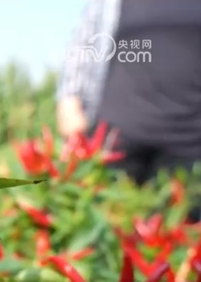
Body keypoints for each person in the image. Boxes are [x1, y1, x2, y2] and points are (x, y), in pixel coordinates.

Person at [58, 1, 201, 187]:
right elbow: (85, 42)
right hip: (114, 141)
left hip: (190, 143)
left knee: (184, 213)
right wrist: (69, 102)